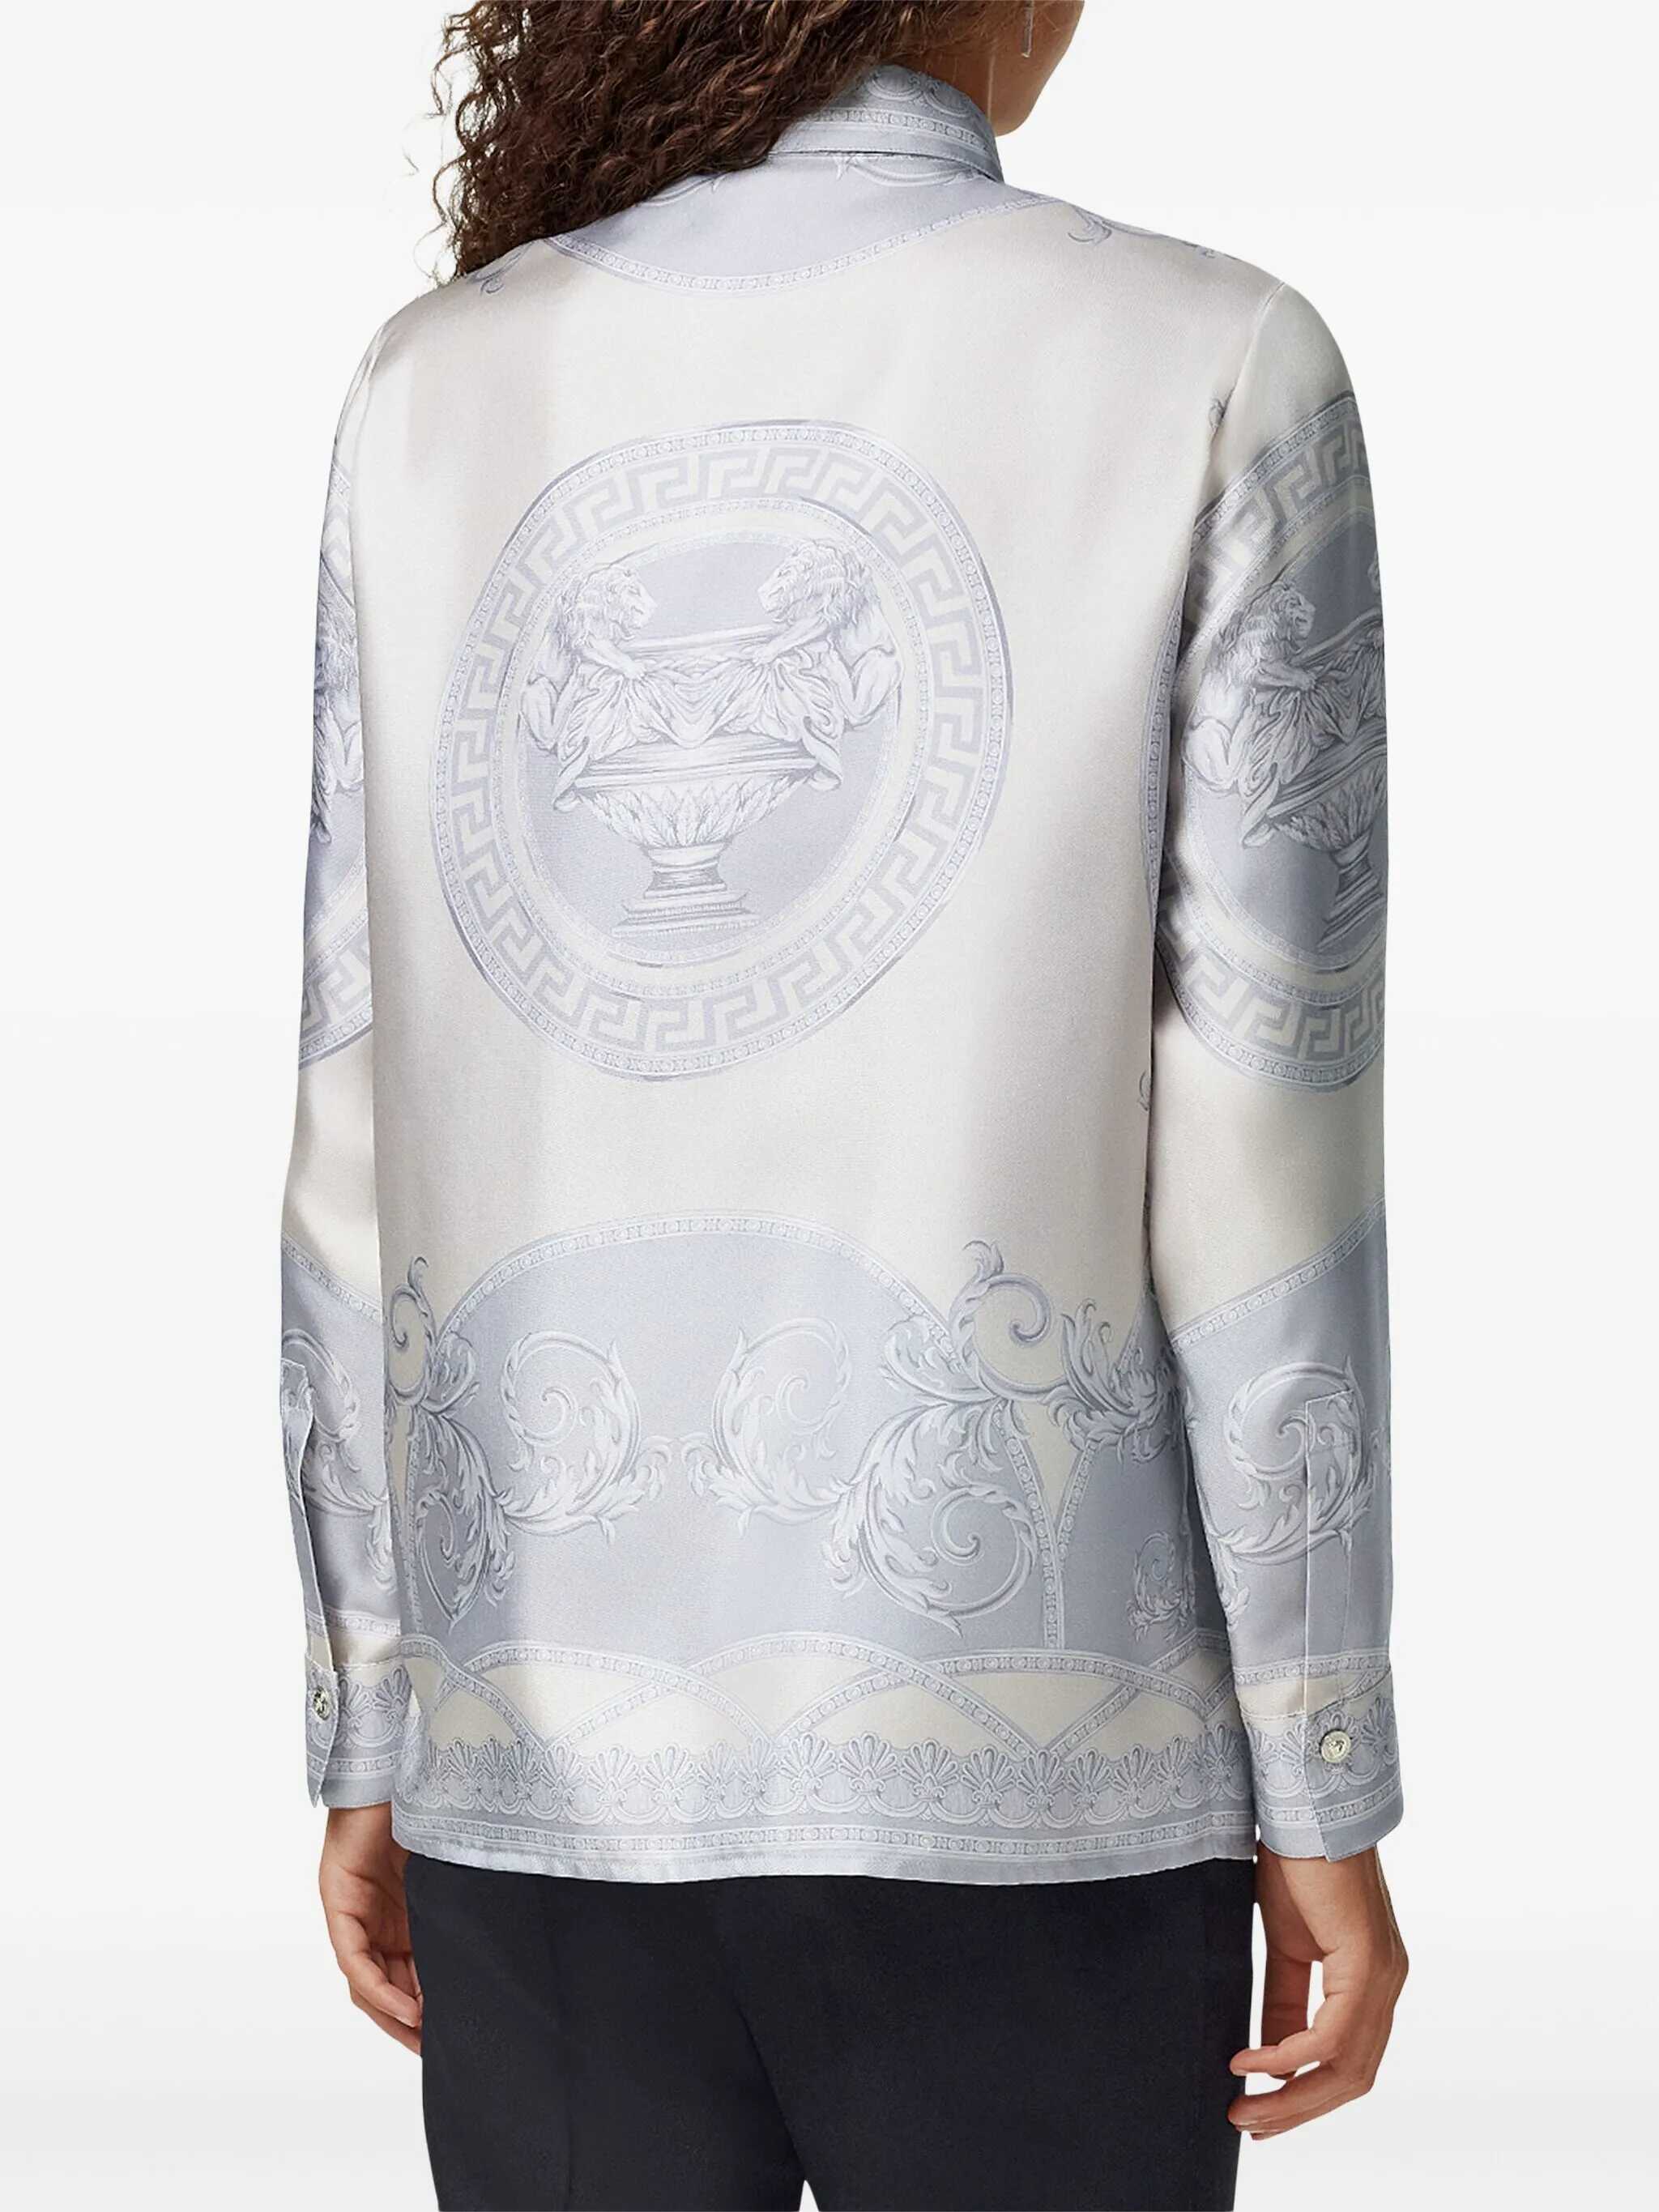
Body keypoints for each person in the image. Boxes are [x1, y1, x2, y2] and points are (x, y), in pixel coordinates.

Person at [280, 3, 1408, 2205]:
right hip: (1040, 1753)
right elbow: (1264, 1152)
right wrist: (1322, 1764)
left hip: (540, 1763)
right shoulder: (1214, 361)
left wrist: (378, 1699)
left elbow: (354, 1124)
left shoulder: (430, 391)